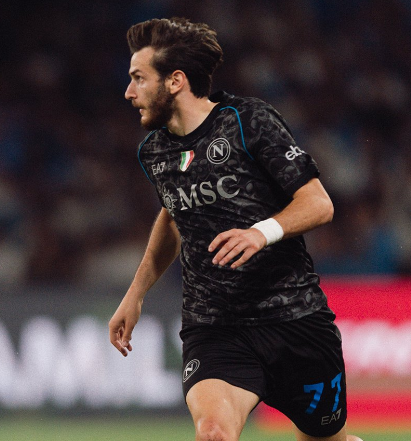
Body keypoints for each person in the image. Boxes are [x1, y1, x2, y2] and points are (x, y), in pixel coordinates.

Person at [108, 17, 363, 441]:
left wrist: (260, 232)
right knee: (213, 433)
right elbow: (173, 216)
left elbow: (319, 204)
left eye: (138, 78)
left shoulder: (247, 121)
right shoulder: (154, 151)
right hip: (215, 327)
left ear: (175, 81)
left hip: (295, 321)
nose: (129, 92)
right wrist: (135, 294)